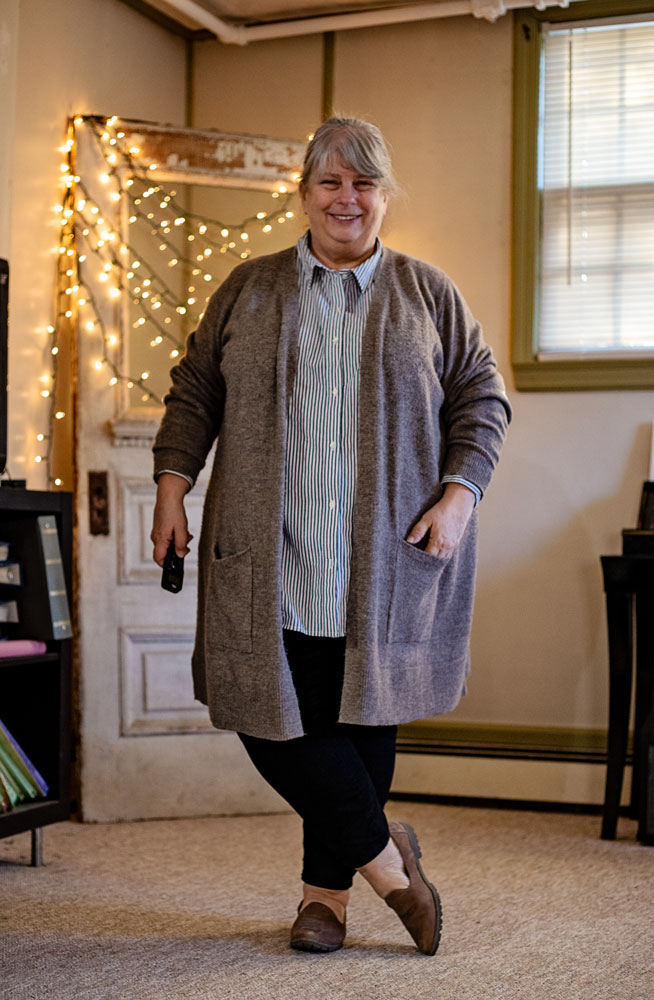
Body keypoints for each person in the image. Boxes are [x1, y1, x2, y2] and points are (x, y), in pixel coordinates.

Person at [151, 116, 511, 956]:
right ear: (304, 192)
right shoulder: (249, 287)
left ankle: (325, 902)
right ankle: (391, 861)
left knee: (359, 725)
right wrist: (173, 487)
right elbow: (194, 391)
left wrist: (460, 495)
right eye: (330, 182)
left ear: (385, 194)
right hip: (269, 557)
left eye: (364, 182)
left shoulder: (428, 294)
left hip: (383, 562)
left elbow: (481, 402)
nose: (346, 198)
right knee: (266, 718)